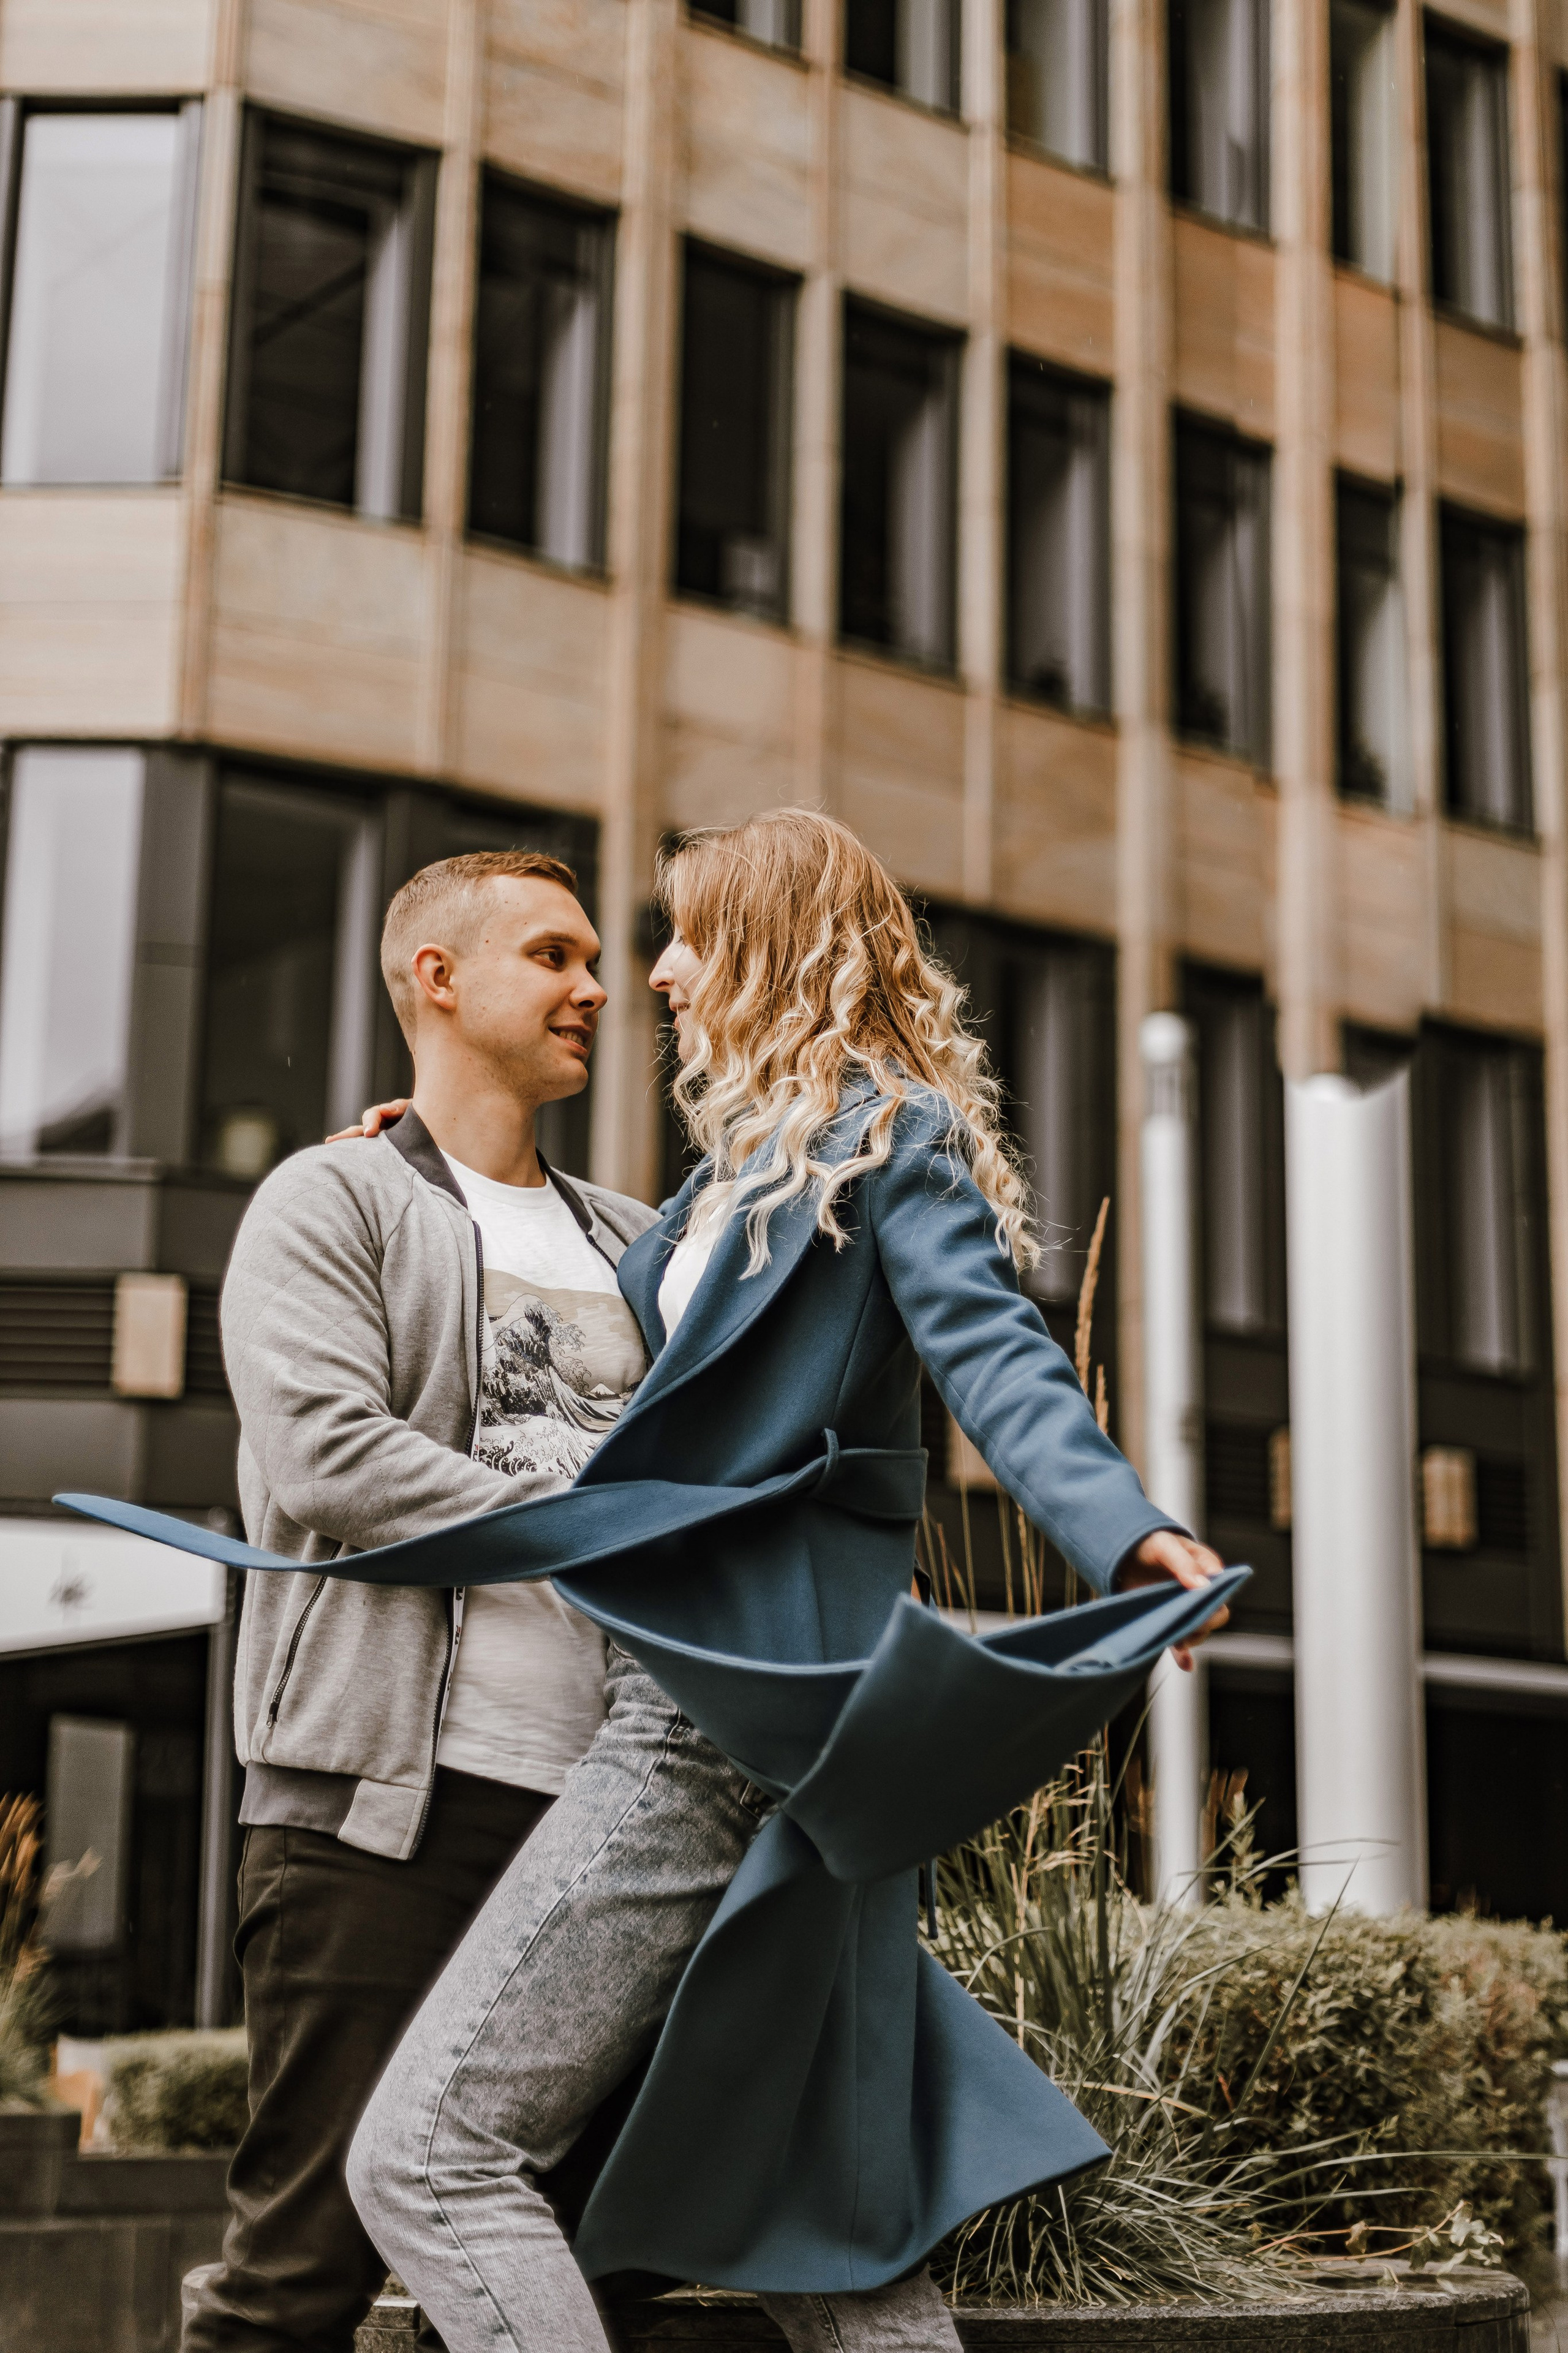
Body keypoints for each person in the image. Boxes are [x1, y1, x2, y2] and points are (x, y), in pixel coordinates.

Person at [330, 810, 1230, 2353]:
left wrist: (1122, 1529)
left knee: (429, 2155)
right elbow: (639, 1311)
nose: (657, 974)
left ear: (768, 944)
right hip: (737, 1714)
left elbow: (996, 1355)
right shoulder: (733, 1173)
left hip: (717, 1714)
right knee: (826, 2230)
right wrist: (413, 1157)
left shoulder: (891, 1140)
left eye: (682, 936)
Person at [183, 848, 657, 2353]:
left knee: (565, 2267)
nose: (596, 985)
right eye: (553, 953)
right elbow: (330, 1458)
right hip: (379, 1819)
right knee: (298, 2276)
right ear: (436, 981)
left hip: (608, 1833)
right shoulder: (329, 1199)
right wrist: (603, 1521)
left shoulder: (636, 1243)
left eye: (596, 957)